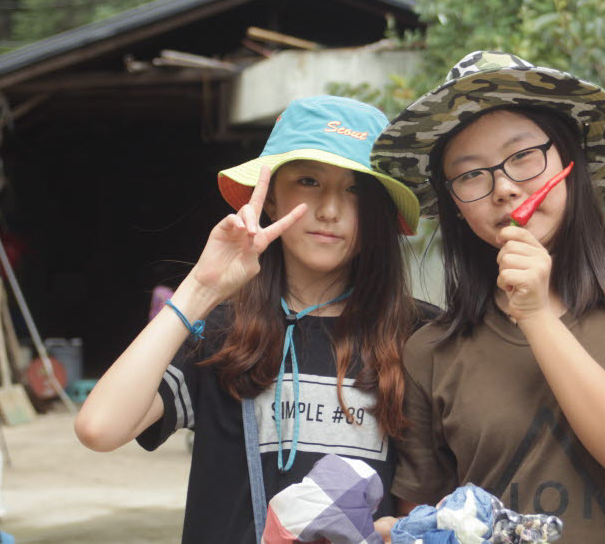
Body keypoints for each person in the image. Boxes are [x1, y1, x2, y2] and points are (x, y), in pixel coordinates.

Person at [370, 51, 605, 543]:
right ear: (455, 207)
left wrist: (536, 313)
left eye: (523, 156)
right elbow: (427, 524)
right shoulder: (430, 351)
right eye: (470, 174)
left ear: (570, 162)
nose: (504, 188)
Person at [75, 95, 434, 543]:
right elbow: (99, 428)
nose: (329, 209)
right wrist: (201, 289)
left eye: (355, 188)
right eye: (308, 181)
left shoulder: (419, 337)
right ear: (270, 199)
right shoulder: (222, 334)